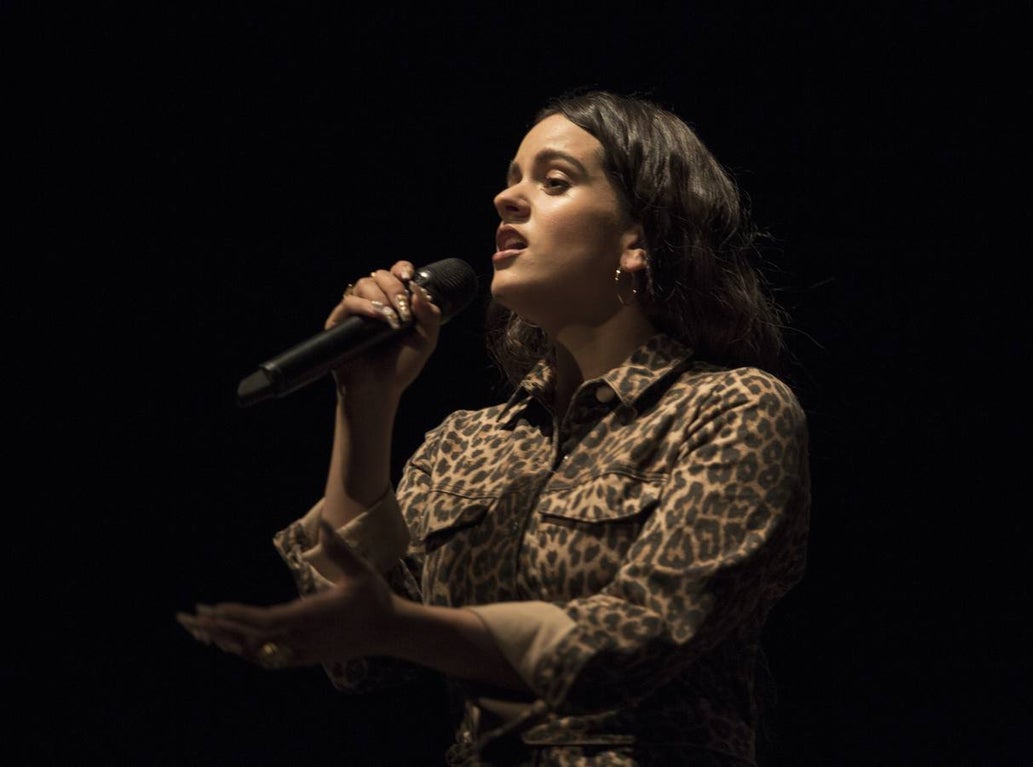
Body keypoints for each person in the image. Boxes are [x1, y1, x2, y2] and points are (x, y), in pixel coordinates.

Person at [178, 89, 811, 766]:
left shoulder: (732, 410)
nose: (506, 200)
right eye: (510, 180)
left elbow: (634, 638)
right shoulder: (466, 442)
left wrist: (405, 626)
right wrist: (365, 402)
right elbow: (362, 661)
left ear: (639, 241)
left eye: (554, 181)